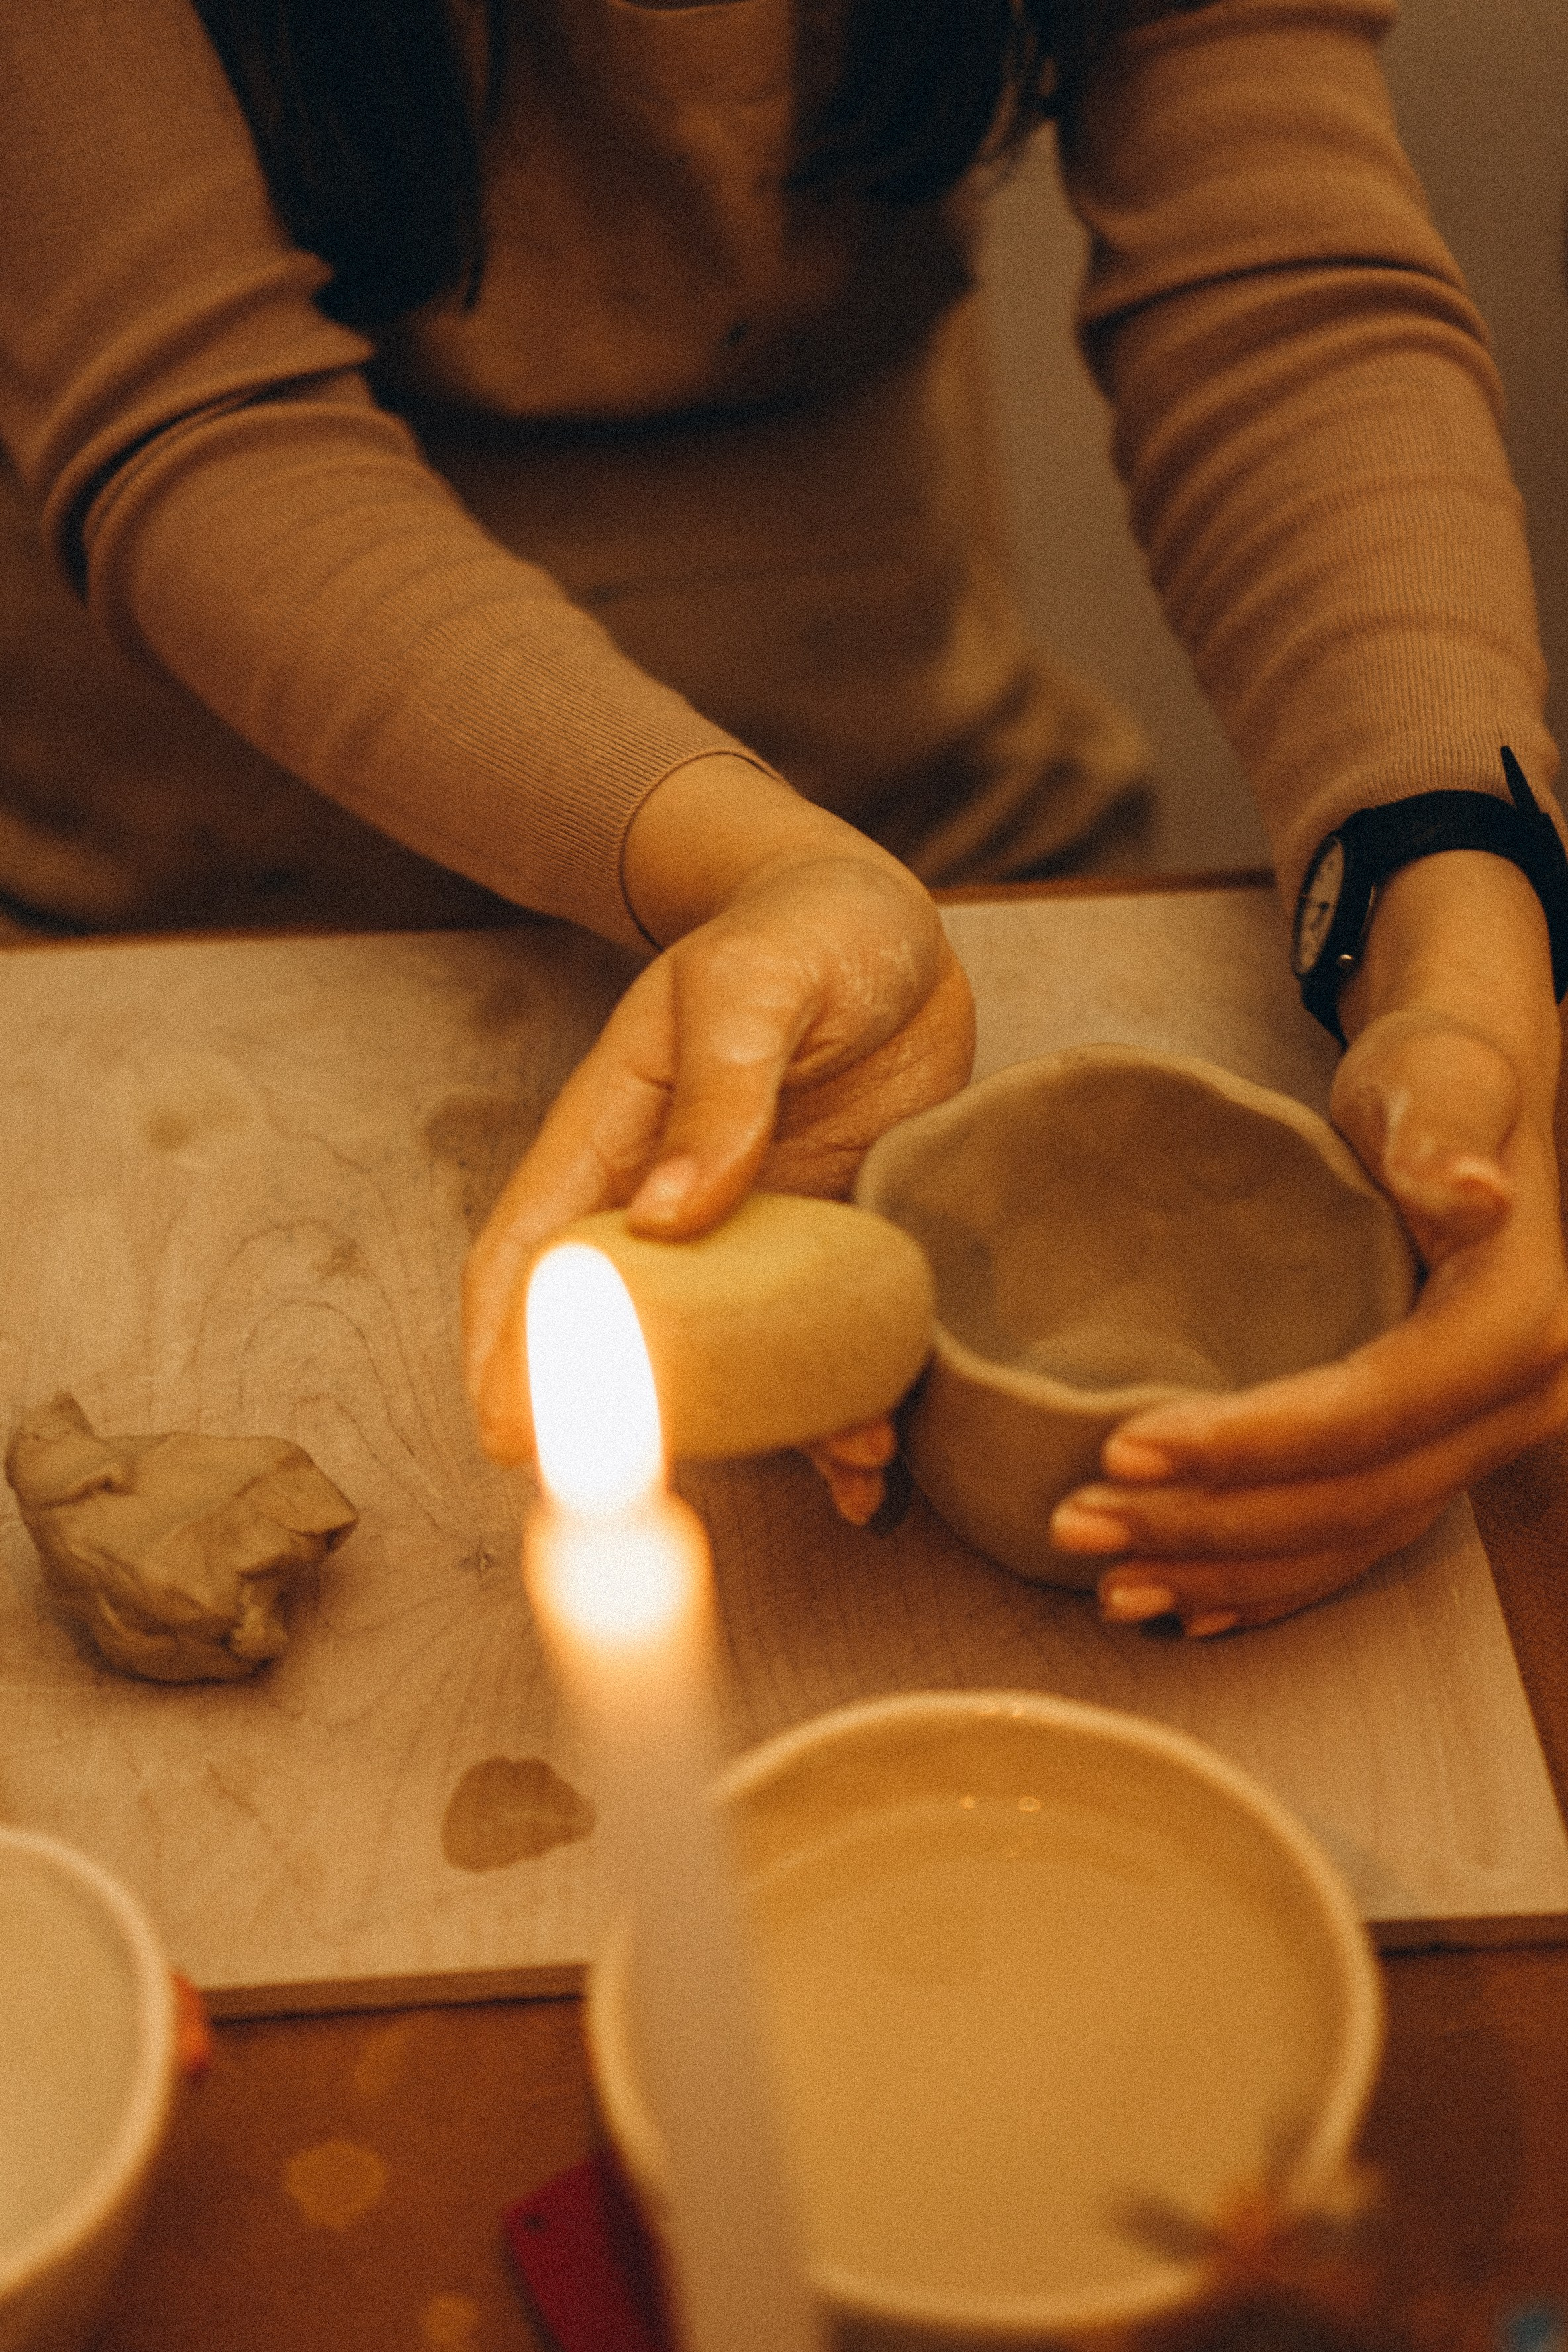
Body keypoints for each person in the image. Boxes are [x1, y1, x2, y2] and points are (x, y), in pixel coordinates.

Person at [1, 0, 1564, 1636]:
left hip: (917, 838)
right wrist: (756, 861)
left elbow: (1277, 290)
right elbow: (201, 408)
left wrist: (1447, 932)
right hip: (217, 909)